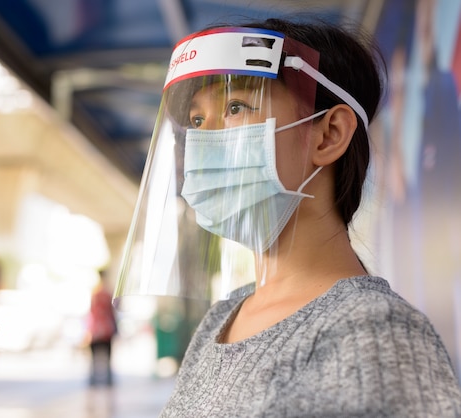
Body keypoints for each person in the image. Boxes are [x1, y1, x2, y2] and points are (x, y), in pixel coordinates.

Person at [113, 16, 461, 416]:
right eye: (196, 120)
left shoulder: (378, 332)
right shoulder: (223, 318)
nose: (205, 139)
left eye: (235, 106)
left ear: (329, 134)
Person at [86, 270, 117, 386]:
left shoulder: (95, 294)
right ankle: (108, 380)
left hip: (96, 330)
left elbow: (91, 313)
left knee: (94, 359)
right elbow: (112, 312)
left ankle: (93, 381)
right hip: (107, 329)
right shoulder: (108, 293)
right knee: (108, 358)